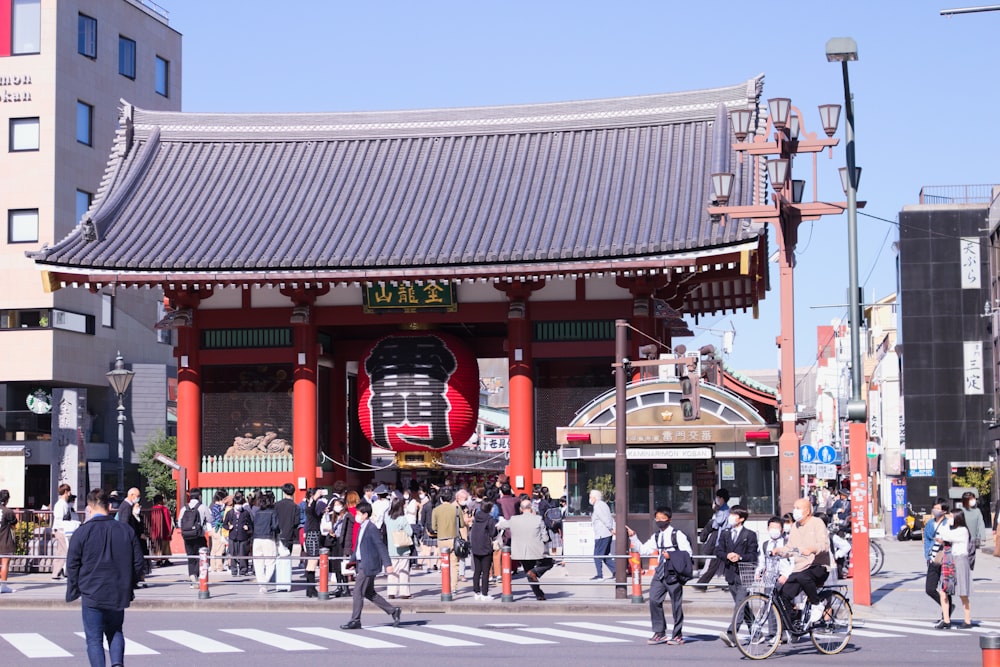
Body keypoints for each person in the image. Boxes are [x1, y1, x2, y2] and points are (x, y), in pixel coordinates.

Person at [65, 488, 145, 667]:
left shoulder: (82, 532)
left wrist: (75, 588)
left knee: (94, 640)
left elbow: (72, 564)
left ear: (89, 508)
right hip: (118, 590)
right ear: (109, 506)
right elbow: (139, 563)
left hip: (91, 591)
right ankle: (117, 664)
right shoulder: (125, 530)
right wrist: (129, 585)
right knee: (116, 631)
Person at [627, 507, 693, 646]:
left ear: (669, 519)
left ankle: (677, 635)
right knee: (654, 599)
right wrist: (633, 536)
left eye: (662, 518)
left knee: (676, 604)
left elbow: (688, 553)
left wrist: (671, 556)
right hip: (660, 571)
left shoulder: (677, 534)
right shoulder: (656, 536)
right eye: (657, 518)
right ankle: (660, 632)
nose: (659, 521)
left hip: (673, 572)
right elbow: (644, 550)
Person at [340, 501, 401, 630]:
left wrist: (388, 564)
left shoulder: (372, 528)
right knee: (369, 592)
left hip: (367, 565)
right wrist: (352, 561)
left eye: (358, 513)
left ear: (365, 515)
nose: (356, 515)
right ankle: (393, 611)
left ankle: (355, 620)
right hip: (362, 563)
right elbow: (358, 547)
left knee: (357, 591)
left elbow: (381, 546)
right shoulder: (362, 527)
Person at [773, 498, 831, 627]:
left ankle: (817, 604)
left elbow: (824, 545)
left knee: (802, 577)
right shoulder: (795, 526)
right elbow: (790, 548)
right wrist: (779, 551)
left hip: (818, 566)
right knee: (782, 596)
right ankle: (795, 624)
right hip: (800, 567)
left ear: (808, 511)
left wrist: (811, 549)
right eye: (794, 507)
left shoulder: (817, 523)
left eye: (798, 508)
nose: (795, 511)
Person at [715, 505, 759, 647]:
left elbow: (753, 555)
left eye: (734, 515)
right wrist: (727, 555)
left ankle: (732, 634)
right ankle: (757, 632)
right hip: (730, 573)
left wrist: (739, 557)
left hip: (745, 573)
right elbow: (718, 551)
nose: (730, 517)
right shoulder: (725, 534)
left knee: (740, 604)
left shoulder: (750, 535)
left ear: (741, 519)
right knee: (742, 605)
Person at [502, 497, 554, 600]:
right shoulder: (538, 519)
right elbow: (545, 537)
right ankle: (536, 575)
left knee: (529, 573)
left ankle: (539, 594)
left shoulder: (514, 519)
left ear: (521, 509)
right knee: (549, 563)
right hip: (536, 550)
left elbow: (502, 525)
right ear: (531, 508)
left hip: (521, 552)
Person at [936, 509, 973, 629]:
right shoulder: (956, 530)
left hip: (960, 560)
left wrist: (945, 524)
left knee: (962, 592)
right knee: (943, 591)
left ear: (957, 517)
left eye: (951, 516)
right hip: (950, 561)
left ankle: (967, 621)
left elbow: (945, 535)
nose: (949, 518)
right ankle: (946, 620)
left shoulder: (962, 530)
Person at [924, 498, 953, 622]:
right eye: (934, 508)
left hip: (945, 557)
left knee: (945, 588)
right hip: (933, 558)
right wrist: (927, 556)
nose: (935, 510)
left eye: (938, 508)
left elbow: (954, 538)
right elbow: (926, 540)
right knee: (930, 589)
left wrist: (944, 541)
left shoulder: (949, 523)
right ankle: (948, 607)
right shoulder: (930, 524)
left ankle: (946, 614)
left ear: (944, 511)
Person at [431, 487, 464, 594]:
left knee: (444, 564)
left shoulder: (436, 510)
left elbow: (433, 527)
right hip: (454, 539)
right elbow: (462, 524)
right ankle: (453, 587)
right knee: (454, 565)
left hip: (441, 539)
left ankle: (445, 586)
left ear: (441, 498)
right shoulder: (456, 509)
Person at [696, 488, 730, 586]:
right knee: (721, 563)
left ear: (722, 498)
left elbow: (716, 524)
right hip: (721, 541)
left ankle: (702, 583)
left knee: (714, 564)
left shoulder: (724, 510)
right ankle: (728, 582)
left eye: (718, 498)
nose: (717, 499)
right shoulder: (723, 509)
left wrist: (715, 511)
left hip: (721, 541)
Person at [179, 489, 212, 588]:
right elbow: (210, 519)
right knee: (201, 557)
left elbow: (180, 523)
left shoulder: (184, 508)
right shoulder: (203, 507)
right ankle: (197, 577)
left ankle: (192, 576)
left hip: (187, 537)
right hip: (199, 536)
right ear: (199, 496)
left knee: (191, 557)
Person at [384, 496, 413, 599]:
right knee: (403, 571)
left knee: (393, 571)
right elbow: (410, 532)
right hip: (403, 548)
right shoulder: (402, 519)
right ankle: (404, 592)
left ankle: (391, 592)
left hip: (391, 549)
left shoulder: (387, 518)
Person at [469, 499, 498, 600]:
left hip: (476, 546)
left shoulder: (476, 517)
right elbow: (492, 533)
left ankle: (476, 591)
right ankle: (484, 593)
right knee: (486, 571)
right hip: (485, 547)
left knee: (477, 570)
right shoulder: (490, 519)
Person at [252, 491, 280, 593]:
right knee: (270, 562)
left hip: (257, 538)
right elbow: (275, 526)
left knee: (258, 562)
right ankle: (264, 583)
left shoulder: (257, 512)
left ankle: (261, 583)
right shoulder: (273, 512)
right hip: (268, 538)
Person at [274, 483, 298, 593]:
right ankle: (287, 583)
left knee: (278, 560)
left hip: (278, 535)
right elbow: (296, 522)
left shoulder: (277, 505)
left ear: (283, 492)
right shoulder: (295, 506)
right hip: (289, 535)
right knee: (287, 559)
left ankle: (279, 583)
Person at [302, 487, 326, 597]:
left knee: (313, 561)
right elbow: (310, 511)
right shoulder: (309, 506)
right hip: (312, 534)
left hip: (315, 533)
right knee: (313, 561)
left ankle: (310, 589)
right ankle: (311, 588)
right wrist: (315, 499)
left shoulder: (313, 506)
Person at [223, 491, 253, 577]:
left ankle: (243, 570)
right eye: (237, 503)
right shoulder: (230, 513)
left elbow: (251, 525)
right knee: (233, 553)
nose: (238, 505)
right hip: (233, 536)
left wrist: (247, 528)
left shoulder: (245, 513)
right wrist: (229, 527)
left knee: (243, 553)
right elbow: (224, 524)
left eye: (240, 503)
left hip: (243, 536)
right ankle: (234, 570)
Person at [589, 489, 615, 579]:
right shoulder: (604, 504)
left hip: (601, 534)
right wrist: (611, 529)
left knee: (597, 555)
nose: (590, 499)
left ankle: (599, 575)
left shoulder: (597, 506)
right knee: (605, 555)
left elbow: (604, 518)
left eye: (590, 497)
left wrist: (610, 528)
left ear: (594, 498)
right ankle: (616, 571)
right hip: (607, 534)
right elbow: (610, 517)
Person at [51, 483, 74, 580]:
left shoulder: (63, 504)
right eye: (69, 491)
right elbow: (59, 518)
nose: (70, 493)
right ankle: (64, 573)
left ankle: (56, 573)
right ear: (66, 492)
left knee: (61, 552)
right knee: (65, 551)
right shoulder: (61, 504)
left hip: (61, 529)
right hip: (61, 530)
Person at [960, 491, 985, 570]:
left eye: (973, 498)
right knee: (963, 558)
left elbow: (980, 523)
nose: (973, 500)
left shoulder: (977, 511)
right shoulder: (961, 511)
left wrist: (982, 536)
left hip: (973, 539)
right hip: (962, 539)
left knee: (971, 557)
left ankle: (968, 572)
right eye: (971, 499)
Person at [148, 494, 173, 567]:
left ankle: (158, 560)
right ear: (160, 501)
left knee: (157, 546)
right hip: (164, 531)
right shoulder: (164, 509)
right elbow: (168, 521)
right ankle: (165, 559)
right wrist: (169, 530)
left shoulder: (152, 509)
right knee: (165, 546)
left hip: (155, 532)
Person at [208, 490, 229, 573]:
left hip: (213, 529)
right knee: (220, 548)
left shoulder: (212, 506)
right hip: (218, 528)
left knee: (214, 549)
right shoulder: (218, 507)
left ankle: (213, 566)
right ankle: (219, 567)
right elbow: (219, 518)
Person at [0, 489, 16, 593]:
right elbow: (14, 525)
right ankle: (3, 586)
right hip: (4, 540)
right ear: (7, 500)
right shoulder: (8, 512)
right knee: (5, 563)